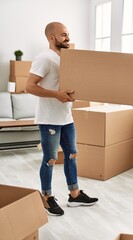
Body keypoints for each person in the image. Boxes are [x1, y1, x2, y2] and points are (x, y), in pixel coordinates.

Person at [26, 22, 98, 216]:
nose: (68, 38)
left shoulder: (65, 58)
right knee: (50, 159)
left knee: (72, 155)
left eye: (68, 34)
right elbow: (30, 86)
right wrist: (56, 94)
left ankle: (74, 194)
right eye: (64, 35)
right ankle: (47, 198)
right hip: (49, 118)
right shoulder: (44, 58)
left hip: (66, 117)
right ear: (51, 37)